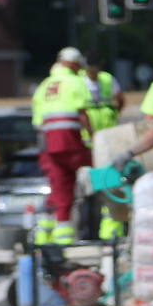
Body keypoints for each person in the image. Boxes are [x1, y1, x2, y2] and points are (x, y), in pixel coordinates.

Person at [29, 47, 92, 245]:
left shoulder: (44, 86)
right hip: (71, 143)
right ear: (73, 64)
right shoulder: (76, 82)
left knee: (58, 189)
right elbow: (82, 114)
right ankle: (74, 232)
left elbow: (38, 123)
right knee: (101, 177)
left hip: (49, 147)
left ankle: (47, 234)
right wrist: (94, 138)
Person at [83, 54, 125, 136]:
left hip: (108, 125)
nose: (94, 70)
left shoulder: (107, 78)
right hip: (88, 128)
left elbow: (120, 99)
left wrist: (114, 113)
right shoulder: (79, 79)